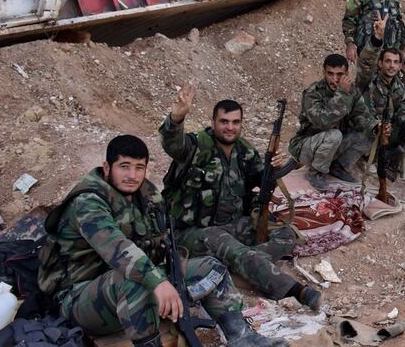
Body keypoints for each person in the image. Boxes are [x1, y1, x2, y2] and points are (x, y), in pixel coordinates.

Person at [38, 135, 285, 347]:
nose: (132, 175)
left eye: (139, 167)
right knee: (135, 282)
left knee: (213, 268)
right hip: (80, 298)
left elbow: (161, 242)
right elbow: (118, 249)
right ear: (106, 167)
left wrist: (174, 271)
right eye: (124, 166)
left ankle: (241, 337)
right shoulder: (88, 202)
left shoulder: (146, 195)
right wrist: (158, 282)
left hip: (128, 283)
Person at [159, 87, 321, 310]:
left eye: (235, 122)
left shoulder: (244, 151)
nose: (230, 127)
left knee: (286, 234)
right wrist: (176, 118)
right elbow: (172, 145)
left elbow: (261, 181)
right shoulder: (196, 146)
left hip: (234, 224)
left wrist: (275, 168)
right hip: (192, 232)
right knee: (230, 247)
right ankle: (296, 290)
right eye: (224, 121)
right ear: (214, 122)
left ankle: (243, 262)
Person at [288, 53, 379, 189]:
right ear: (324, 72)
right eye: (330, 74)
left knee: (367, 135)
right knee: (334, 135)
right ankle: (315, 172)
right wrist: (342, 94)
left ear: (347, 73)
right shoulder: (313, 93)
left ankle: (338, 167)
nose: (335, 79)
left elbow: (360, 117)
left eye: (339, 74)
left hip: (333, 145)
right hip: (307, 146)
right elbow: (324, 122)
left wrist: (376, 127)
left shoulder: (352, 91)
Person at [356, 14, 405, 178]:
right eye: (388, 61)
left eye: (395, 62)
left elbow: (402, 110)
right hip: (366, 128)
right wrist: (377, 39)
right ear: (380, 63)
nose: (391, 66)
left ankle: (394, 158)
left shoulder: (399, 86)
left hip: (386, 131)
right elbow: (365, 62)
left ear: (400, 66)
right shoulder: (368, 80)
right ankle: (365, 158)